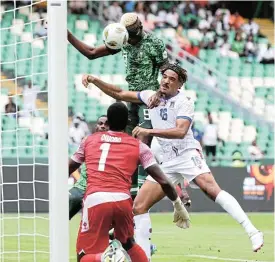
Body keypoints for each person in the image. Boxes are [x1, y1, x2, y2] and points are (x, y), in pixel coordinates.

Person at [81, 62, 264, 254]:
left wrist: (148, 130)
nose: (166, 81)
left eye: (172, 79)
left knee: (211, 190)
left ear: (179, 85)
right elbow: (119, 94)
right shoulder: (150, 96)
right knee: (139, 207)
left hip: (186, 155)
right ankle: (144, 258)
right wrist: (95, 80)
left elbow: (180, 131)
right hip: (166, 161)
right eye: (165, 77)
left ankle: (252, 231)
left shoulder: (184, 102)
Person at [68, 102, 190, 262]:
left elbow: (68, 167)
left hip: (96, 199)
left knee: (84, 255)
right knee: (128, 243)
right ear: (126, 123)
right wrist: (177, 204)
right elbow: (164, 181)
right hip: (123, 202)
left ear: (108, 122)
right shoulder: (139, 147)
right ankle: (112, 255)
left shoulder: (89, 141)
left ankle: (106, 257)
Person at [69, 115, 108, 220]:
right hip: (81, 187)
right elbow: (73, 163)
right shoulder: (87, 141)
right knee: (60, 214)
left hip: (101, 190)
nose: (103, 126)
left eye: (106, 124)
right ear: (96, 126)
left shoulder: (118, 144)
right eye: (100, 124)